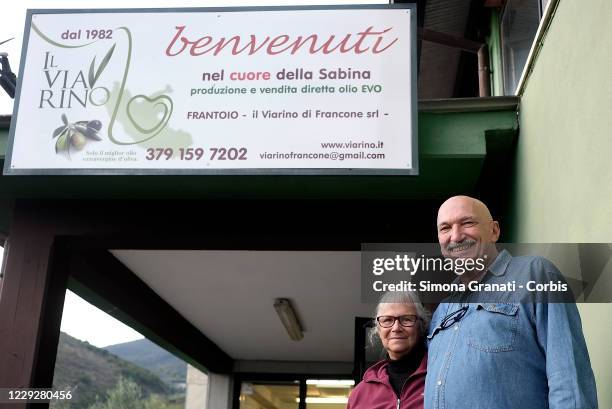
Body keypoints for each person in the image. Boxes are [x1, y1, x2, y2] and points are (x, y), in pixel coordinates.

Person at [425, 195, 598, 409]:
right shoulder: (443, 309)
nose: (456, 236)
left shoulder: (535, 274)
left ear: (494, 231)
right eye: (445, 228)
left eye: (467, 223)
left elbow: (569, 378)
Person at [347, 291, 430, 409]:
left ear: (421, 326)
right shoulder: (359, 394)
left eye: (406, 319)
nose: (396, 328)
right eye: (387, 320)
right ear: (378, 330)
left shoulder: (440, 379)